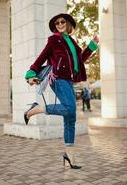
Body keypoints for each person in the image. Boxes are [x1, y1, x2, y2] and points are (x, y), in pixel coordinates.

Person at [24, 13, 99, 169]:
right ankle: (35, 109)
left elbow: (79, 61)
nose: (59, 24)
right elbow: (42, 57)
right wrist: (31, 72)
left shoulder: (72, 42)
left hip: (69, 81)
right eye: (56, 23)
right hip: (57, 78)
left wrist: (91, 47)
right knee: (69, 108)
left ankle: (69, 154)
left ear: (68, 24)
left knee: (70, 117)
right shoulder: (54, 40)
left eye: (62, 21)